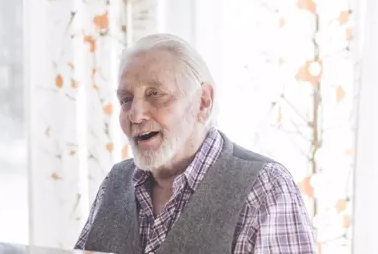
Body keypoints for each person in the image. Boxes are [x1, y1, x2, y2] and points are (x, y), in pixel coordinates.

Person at [75, 34, 317, 254]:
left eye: (155, 94)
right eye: (126, 99)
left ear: (203, 102)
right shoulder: (115, 182)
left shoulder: (265, 187)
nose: (135, 115)